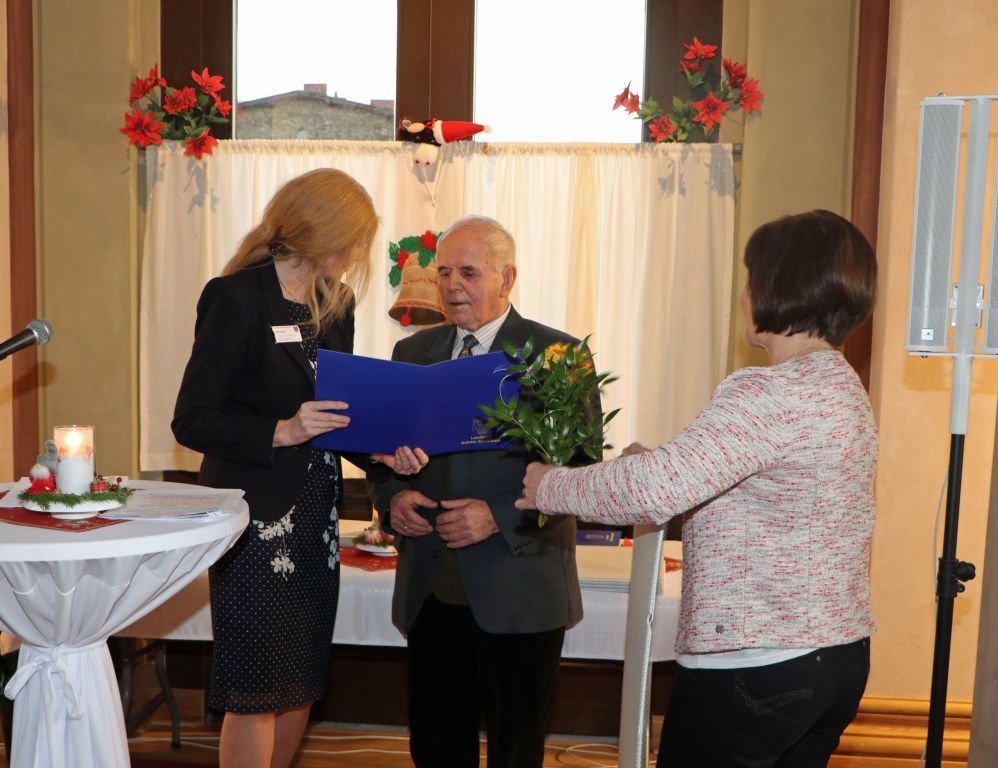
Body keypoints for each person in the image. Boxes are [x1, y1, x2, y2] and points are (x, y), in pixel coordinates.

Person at [519, 209, 878, 768]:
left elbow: (652, 492)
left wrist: (549, 486)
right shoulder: (840, 384)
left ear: (778, 285)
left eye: (751, 276)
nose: (742, 294)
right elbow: (743, 478)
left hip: (755, 663)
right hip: (835, 655)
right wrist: (658, 464)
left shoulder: (766, 392)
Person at [172, 168, 426, 768]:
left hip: (316, 516)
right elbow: (192, 419)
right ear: (320, 230)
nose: (359, 253)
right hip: (255, 520)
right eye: (355, 238)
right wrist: (281, 430)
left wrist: (383, 450)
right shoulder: (235, 297)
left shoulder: (334, 304)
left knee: (300, 685)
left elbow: (340, 415)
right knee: (256, 690)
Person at [366, 215, 586, 768]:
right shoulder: (412, 354)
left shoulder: (558, 357)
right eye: (443, 272)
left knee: (517, 750)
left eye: (468, 271)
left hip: (520, 588)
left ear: (506, 277)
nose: (452, 285)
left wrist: (499, 517)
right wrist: (393, 499)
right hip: (431, 590)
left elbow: (581, 476)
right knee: (436, 747)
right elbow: (384, 457)